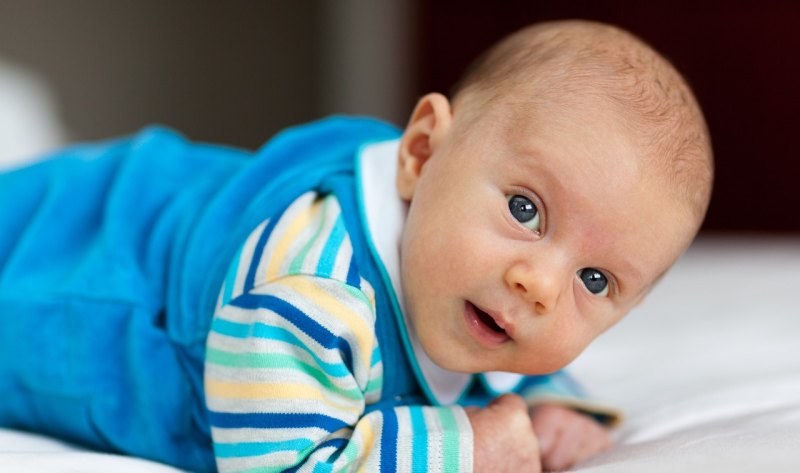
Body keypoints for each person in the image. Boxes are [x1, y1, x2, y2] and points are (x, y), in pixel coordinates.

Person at [0, 19, 712, 473]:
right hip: (57, 257)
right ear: (423, 150)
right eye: (527, 209)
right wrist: (468, 448)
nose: (543, 285)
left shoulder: (465, 256)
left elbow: (489, 364)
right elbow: (283, 461)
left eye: (595, 281)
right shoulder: (311, 290)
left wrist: (553, 407)